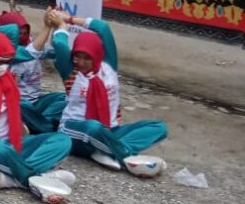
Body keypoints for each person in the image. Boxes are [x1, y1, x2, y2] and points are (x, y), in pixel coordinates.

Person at [0, 31, 75, 192]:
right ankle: (37, 178)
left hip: (11, 145)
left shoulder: (7, 79)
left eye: (8, 61)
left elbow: (12, 32)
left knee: (62, 140)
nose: (3, 66)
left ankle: (13, 177)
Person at [51, 12, 168, 172]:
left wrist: (69, 19)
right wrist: (61, 25)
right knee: (94, 128)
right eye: (78, 57)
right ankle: (125, 156)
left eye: (87, 58)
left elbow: (103, 28)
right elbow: (60, 44)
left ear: (97, 55)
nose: (81, 62)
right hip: (76, 131)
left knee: (159, 127)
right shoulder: (72, 72)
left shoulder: (109, 66)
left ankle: (104, 150)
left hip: (110, 130)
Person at [0, 11, 67, 134]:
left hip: (36, 102)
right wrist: (47, 26)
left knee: (64, 98)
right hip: (18, 103)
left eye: (25, 33)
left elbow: (53, 51)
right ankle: (44, 126)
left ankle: (37, 123)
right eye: (19, 34)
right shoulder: (0, 52)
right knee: (17, 105)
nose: (22, 37)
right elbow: (31, 52)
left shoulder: (33, 42)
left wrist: (56, 26)